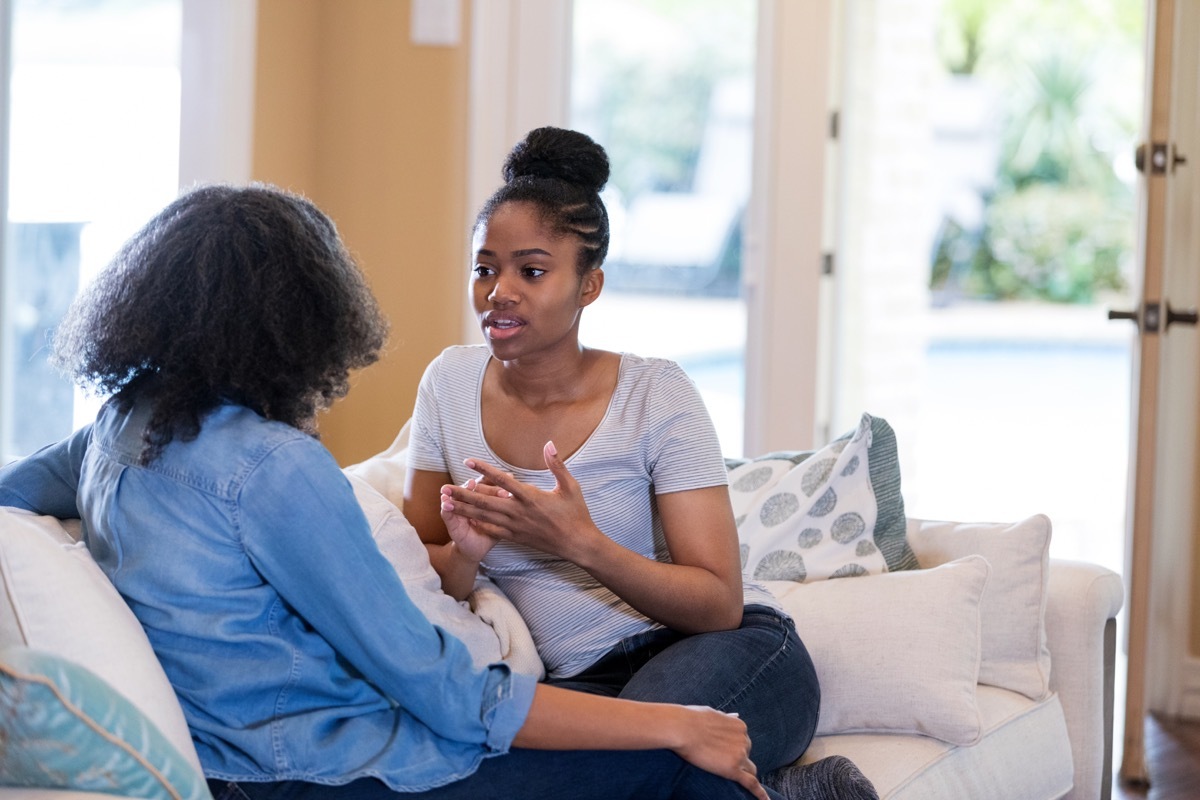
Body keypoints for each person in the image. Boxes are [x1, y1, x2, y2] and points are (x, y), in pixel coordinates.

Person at [0, 184, 776, 800]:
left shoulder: (120, 427)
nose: (499, 288)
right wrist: (676, 726)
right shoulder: (274, 468)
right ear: (303, 319)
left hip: (242, 763)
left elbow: (13, 487)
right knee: (689, 766)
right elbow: (445, 691)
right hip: (323, 773)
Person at [403, 127, 878, 800]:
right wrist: (466, 554)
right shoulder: (447, 384)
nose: (499, 291)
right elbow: (418, 563)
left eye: (531, 271)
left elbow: (717, 605)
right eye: (485, 268)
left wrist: (580, 543)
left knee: (659, 756)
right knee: (638, 776)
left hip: (722, 651)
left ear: (589, 285)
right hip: (574, 681)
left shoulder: (655, 393)